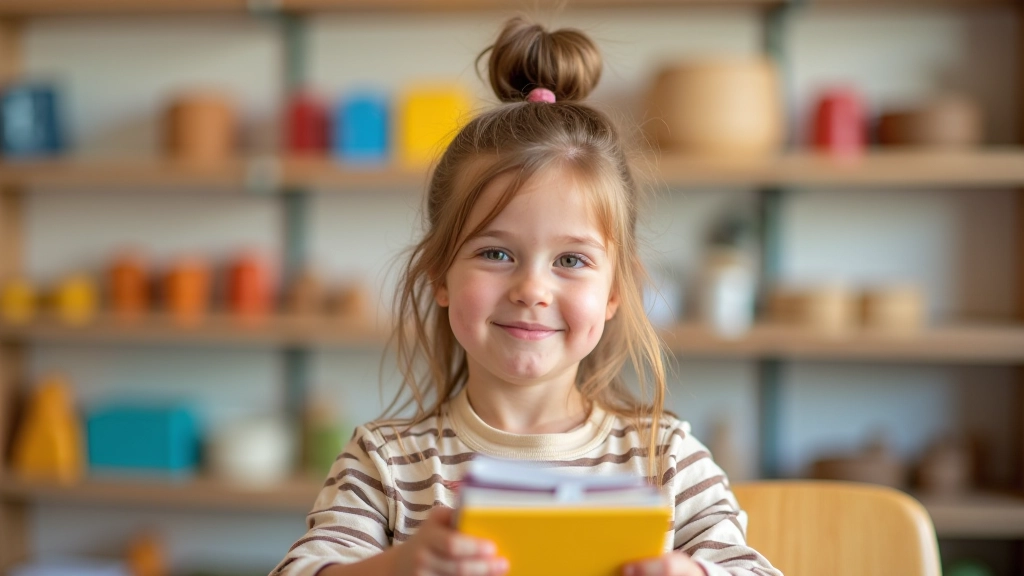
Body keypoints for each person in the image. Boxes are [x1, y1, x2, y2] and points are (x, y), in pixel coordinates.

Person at [271, 16, 782, 576]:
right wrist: (399, 567)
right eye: (496, 253)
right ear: (441, 275)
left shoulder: (664, 458)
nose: (532, 289)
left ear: (616, 290)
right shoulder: (386, 464)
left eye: (570, 260)